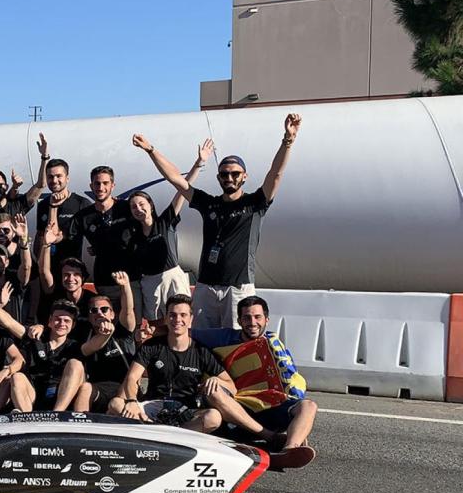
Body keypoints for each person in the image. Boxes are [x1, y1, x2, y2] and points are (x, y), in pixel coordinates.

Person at [158, 114, 302, 328]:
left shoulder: (255, 203)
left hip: (238, 287)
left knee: (236, 343)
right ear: (219, 178)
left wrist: (288, 140)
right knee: (202, 341)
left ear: (244, 176)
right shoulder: (209, 204)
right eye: (224, 174)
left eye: (235, 174)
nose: (230, 178)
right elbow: (176, 180)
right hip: (206, 286)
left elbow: (276, 174)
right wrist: (151, 149)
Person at [193, 296, 318, 469]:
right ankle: (270, 438)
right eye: (246, 318)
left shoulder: (273, 342)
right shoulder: (223, 337)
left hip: (272, 403)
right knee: (212, 391)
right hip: (240, 408)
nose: (252, 322)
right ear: (239, 320)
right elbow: (183, 332)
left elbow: (291, 376)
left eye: (257, 317)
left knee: (309, 406)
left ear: (267, 319)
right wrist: (150, 331)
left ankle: (289, 450)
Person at [107, 294, 231, 433]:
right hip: (152, 407)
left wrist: (216, 381)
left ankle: (164, 434)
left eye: (183, 315)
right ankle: (155, 431)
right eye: (172, 315)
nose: (178, 320)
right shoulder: (151, 346)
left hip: (185, 411)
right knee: (115, 404)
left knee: (214, 417)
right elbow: (132, 377)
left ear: (191, 319)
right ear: (166, 318)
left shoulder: (201, 351)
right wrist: (131, 401)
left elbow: (231, 386)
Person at [130, 135, 213, 331]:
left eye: (141, 204)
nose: (138, 209)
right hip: (149, 282)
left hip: (172, 277)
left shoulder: (165, 220)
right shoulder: (133, 235)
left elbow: (183, 188)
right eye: (133, 207)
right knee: (157, 326)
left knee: (180, 322)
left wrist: (199, 163)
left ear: (150, 205)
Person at [0, 293, 86, 413]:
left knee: (76, 364)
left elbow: (97, 342)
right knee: (17, 377)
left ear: (73, 325)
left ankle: (56, 414)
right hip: (32, 396)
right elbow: (10, 323)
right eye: (57, 319)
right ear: (49, 321)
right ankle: (25, 416)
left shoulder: (75, 346)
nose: (62, 323)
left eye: (67, 320)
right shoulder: (35, 336)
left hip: (61, 398)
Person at [70, 165, 138, 300]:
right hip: (105, 280)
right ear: (91, 186)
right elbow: (68, 241)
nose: (100, 188)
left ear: (113, 185)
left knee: (132, 320)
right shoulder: (83, 217)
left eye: (105, 183)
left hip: (132, 279)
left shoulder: (127, 208)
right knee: (106, 319)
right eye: (97, 183)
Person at [72, 274, 138, 412]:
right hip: (99, 390)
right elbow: (87, 349)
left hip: (124, 388)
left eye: (104, 309)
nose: (99, 313)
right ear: (89, 317)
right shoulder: (86, 336)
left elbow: (127, 311)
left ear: (112, 314)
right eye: (94, 311)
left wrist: (125, 286)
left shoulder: (122, 332)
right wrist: (104, 334)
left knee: (117, 403)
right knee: (85, 388)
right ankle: (79, 429)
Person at [35, 141, 92, 269]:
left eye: (58, 176)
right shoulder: (43, 204)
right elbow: (40, 235)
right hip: (48, 271)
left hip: (72, 271)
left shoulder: (81, 203)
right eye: (50, 177)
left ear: (67, 178)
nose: (54, 181)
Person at [0, 164, 44, 250]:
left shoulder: (17, 205)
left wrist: (45, 157)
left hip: (14, 259)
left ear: (6, 187)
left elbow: (40, 185)